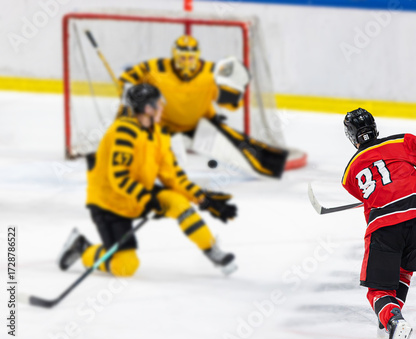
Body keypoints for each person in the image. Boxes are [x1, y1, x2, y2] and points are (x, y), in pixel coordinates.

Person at [58, 83, 238, 278]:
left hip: (137, 196)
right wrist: (147, 199)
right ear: (147, 108)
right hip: (109, 204)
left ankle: (211, 250)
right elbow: (119, 178)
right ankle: (83, 247)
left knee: (178, 202)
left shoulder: (159, 135)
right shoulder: (123, 131)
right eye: (158, 104)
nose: (162, 108)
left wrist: (203, 198)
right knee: (126, 267)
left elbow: (173, 176)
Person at [341, 108, 416, 339]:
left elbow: (373, 208)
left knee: (377, 290)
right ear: (375, 128)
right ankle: (387, 318)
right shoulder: (401, 142)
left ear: (351, 137)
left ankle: (393, 320)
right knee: (403, 271)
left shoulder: (349, 175)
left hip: (385, 225)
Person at [117, 34, 289, 179]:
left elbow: (231, 104)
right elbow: (127, 77)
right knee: (134, 138)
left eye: (190, 58)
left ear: (197, 56)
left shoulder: (211, 72)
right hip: (164, 125)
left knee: (240, 144)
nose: (186, 62)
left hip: (202, 125)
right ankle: (121, 165)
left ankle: (275, 164)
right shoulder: (155, 68)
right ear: (174, 55)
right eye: (182, 57)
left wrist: (235, 92)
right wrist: (126, 88)